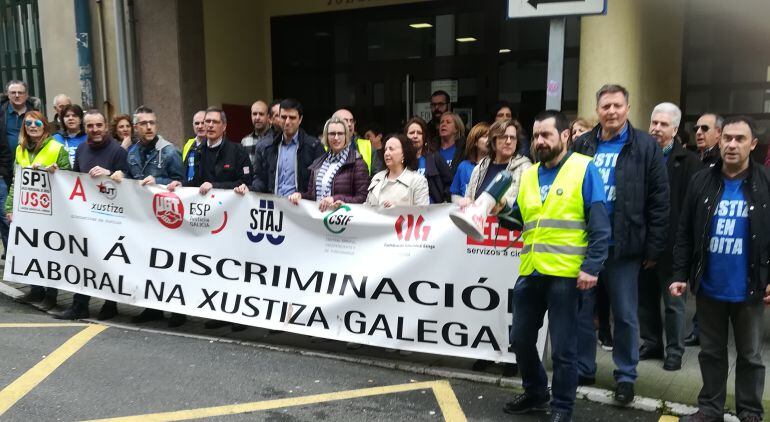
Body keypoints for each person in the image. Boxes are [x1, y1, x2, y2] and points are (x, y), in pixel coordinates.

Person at [500, 109, 609, 422]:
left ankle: (562, 407)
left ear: (565, 136)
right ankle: (536, 392)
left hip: (567, 274)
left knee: (563, 349)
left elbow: (600, 225)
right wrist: (501, 209)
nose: (539, 141)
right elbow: (521, 220)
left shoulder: (584, 169)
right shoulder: (530, 174)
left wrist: (592, 266)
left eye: (546, 134)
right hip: (531, 271)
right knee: (520, 338)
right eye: (535, 136)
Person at [572, 84, 669, 404]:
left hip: (625, 247)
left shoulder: (644, 146)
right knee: (583, 312)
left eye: (617, 105)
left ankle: (626, 376)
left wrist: (654, 247)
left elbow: (659, 198)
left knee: (626, 315)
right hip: (585, 244)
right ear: (597, 110)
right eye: (605, 106)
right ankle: (585, 367)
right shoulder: (582, 145)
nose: (611, 111)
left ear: (627, 108)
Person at [670, 116, 769, 422]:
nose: (732, 145)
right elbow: (685, 230)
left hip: (749, 287)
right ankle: (710, 410)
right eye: (727, 138)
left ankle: (750, 411)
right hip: (710, 286)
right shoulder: (702, 180)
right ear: (719, 140)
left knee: (751, 357)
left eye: (740, 139)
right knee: (710, 353)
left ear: (752, 144)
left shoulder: (766, 183)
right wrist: (679, 274)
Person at [168, 106, 252, 331]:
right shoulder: (196, 152)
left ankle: (238, 315)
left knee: (232, 267)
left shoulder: (238, 152)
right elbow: (191, 180)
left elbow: (246, 183)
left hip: (230, 221)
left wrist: (216, 186)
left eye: (215, 122)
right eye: (207, 122)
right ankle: (216, 311)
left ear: (224, 126)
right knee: (210, 267)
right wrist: (180, 185)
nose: (210, 126)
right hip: (203, 222)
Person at [638, 103, 702, 371]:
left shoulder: (689, 162)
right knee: (645, 300)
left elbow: (692, 209)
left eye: (664, 124)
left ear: (675, 129)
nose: (656, 128)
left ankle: (674, 351)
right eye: (654, 123)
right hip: (643, 243)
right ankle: (651, 342)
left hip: (673, 248)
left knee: (674, 304)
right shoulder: (639, 157)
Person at [111, 105, 185, 325]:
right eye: (144, 123)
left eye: (152, 122)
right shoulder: (131, 152)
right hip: (143, 219)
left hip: (166, 218)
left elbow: (183, 183)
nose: (149, 127)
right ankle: (152, 308)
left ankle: (177, 311)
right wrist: (119, 174)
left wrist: (159, 183)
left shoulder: (170, 151)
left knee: (169, 264)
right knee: (147, 263)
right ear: (136, 127)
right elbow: (130, 176)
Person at [53, 109, 128, 320]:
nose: (94, 130)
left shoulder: (118, 151)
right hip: (86, 217)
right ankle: (79, 305)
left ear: (106, 127)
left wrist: (112, 175)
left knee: (108, 261)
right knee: (83, 260)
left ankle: (110, 304)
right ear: (85, 128)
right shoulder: (83, 148)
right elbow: (76, 178)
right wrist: (56, 174)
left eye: (98, 125)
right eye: (90, 126)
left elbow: (131, 181)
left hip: (111, 218)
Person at [7, 111, 70, 311]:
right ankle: (36, 291)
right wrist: (9, 207)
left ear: (44, 125)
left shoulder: (57, 148)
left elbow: (69, 178)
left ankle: (51, 296)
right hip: (27, 209)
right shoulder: (20, 149)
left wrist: (55, 171)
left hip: (50, 210)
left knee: (49, 253)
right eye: (28, 123)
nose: (32, 126)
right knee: (30, 250)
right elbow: (16, 181)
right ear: (24, 127)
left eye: (37, 123)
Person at [685, 113, 724, 348]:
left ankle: (704, 329)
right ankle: (701, 327)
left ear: (718, 133)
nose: (698, 132)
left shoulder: (720, 162)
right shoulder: (695, 159)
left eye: (705, 128)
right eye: (697, 128)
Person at [287, 115, 369, 210]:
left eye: (340, 133)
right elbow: (312, 196)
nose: (336, 137)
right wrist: (300, 195)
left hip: (343, 221)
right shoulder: (318, 163)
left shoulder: (357, 163)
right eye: (332, 134)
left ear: (346, 136)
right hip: (318, 218)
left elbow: (363, 198)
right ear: (326, 136)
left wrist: (335, 199)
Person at [248, 98, 324, 196]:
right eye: (283, 117)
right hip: (274, 206)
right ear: (278, 118)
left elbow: (318, 184)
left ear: (300, 119)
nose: (287, 122)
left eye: (292, 118)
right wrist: (250, 189)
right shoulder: (267, 146)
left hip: (301, 207)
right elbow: (260, 179)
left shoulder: (314, 146)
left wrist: (303, 195)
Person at [461, 119, 531, 209]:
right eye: (504, 137)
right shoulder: (480, 168)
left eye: (512, 138)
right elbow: (469, 199)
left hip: (508, 222)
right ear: (493, 140)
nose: (509, 141)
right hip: (478, 221)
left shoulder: (526, 168)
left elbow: (527, 206)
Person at [365, 134, 429, 207]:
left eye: (391, 149)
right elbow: (367, 209)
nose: (386, 153)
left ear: (404, 154)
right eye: (385, 149)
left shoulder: (418, 181)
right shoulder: (377, 178)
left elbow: (422, 214)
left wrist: (396, 211)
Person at [405, 116, 451, 203]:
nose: (415, 136)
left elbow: (449, 183)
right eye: (411, 133)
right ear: (405, 136)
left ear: (424, 137)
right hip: (408, 212)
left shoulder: (435, 157)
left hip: (432, 212)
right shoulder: (400, 160)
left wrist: (445, 201)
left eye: (419, 133)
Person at [334, 108, 381, 175]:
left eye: (352, 121)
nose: (350, 124)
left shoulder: (367, 146)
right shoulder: (325, 147)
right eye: (345, 121)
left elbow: (377, 175)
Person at [450, 122, 489, 201]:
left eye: (491, 137)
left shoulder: (494, 166)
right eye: (485, 136)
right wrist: (462, 202)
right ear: (475, 142)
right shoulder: (463, 166)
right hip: (467, 211)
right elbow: (454, 194)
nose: (489, 140)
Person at [241, 100, 275, 165]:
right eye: (254, 114)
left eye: (261, 114)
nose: (257, 117)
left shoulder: (276, 139)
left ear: (268, 117)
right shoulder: (245, 141)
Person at [437, 111, 466, 176]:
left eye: (448, 122)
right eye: (442, 122)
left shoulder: (463, 151)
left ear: (456, 128)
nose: (443, 124)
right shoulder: (432, 150)